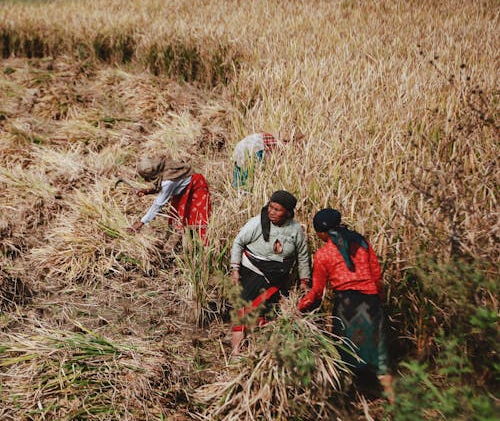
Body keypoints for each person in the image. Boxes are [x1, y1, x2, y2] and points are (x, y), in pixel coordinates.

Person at [298, 209, 394, 402]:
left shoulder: (323, 255)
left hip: (347, 306)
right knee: (379, 354)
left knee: (346, 352)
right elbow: (376, 276)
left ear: (322, 232)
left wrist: (299, 307)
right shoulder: (361, 243)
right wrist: (380, 300)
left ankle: (346, 403)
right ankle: (393, 402)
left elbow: (317, 292)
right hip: (371, 302)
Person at [230, 190, 311, 353]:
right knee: (243, 309)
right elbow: (238, 243)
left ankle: (256, 349)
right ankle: (236, 352)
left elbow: (302, 255)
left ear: (288, 213)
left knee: (265, 312)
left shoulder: (295, 229)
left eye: (277, 210)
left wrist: (304, 281)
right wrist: (235, 269)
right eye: (270, 207)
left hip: (277, 278)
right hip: (252, 271)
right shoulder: (257, 223)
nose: (271, 212)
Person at [127, 155, 211, 246]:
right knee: (178, 217)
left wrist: (141, 222)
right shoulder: (162, 166)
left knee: (196, 218)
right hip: (183, 189)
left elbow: (158, 204)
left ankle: (202, 247)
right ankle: (177, 244)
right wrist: (147, 191)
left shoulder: (168, 181)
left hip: (196, 188)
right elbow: (164, 185)